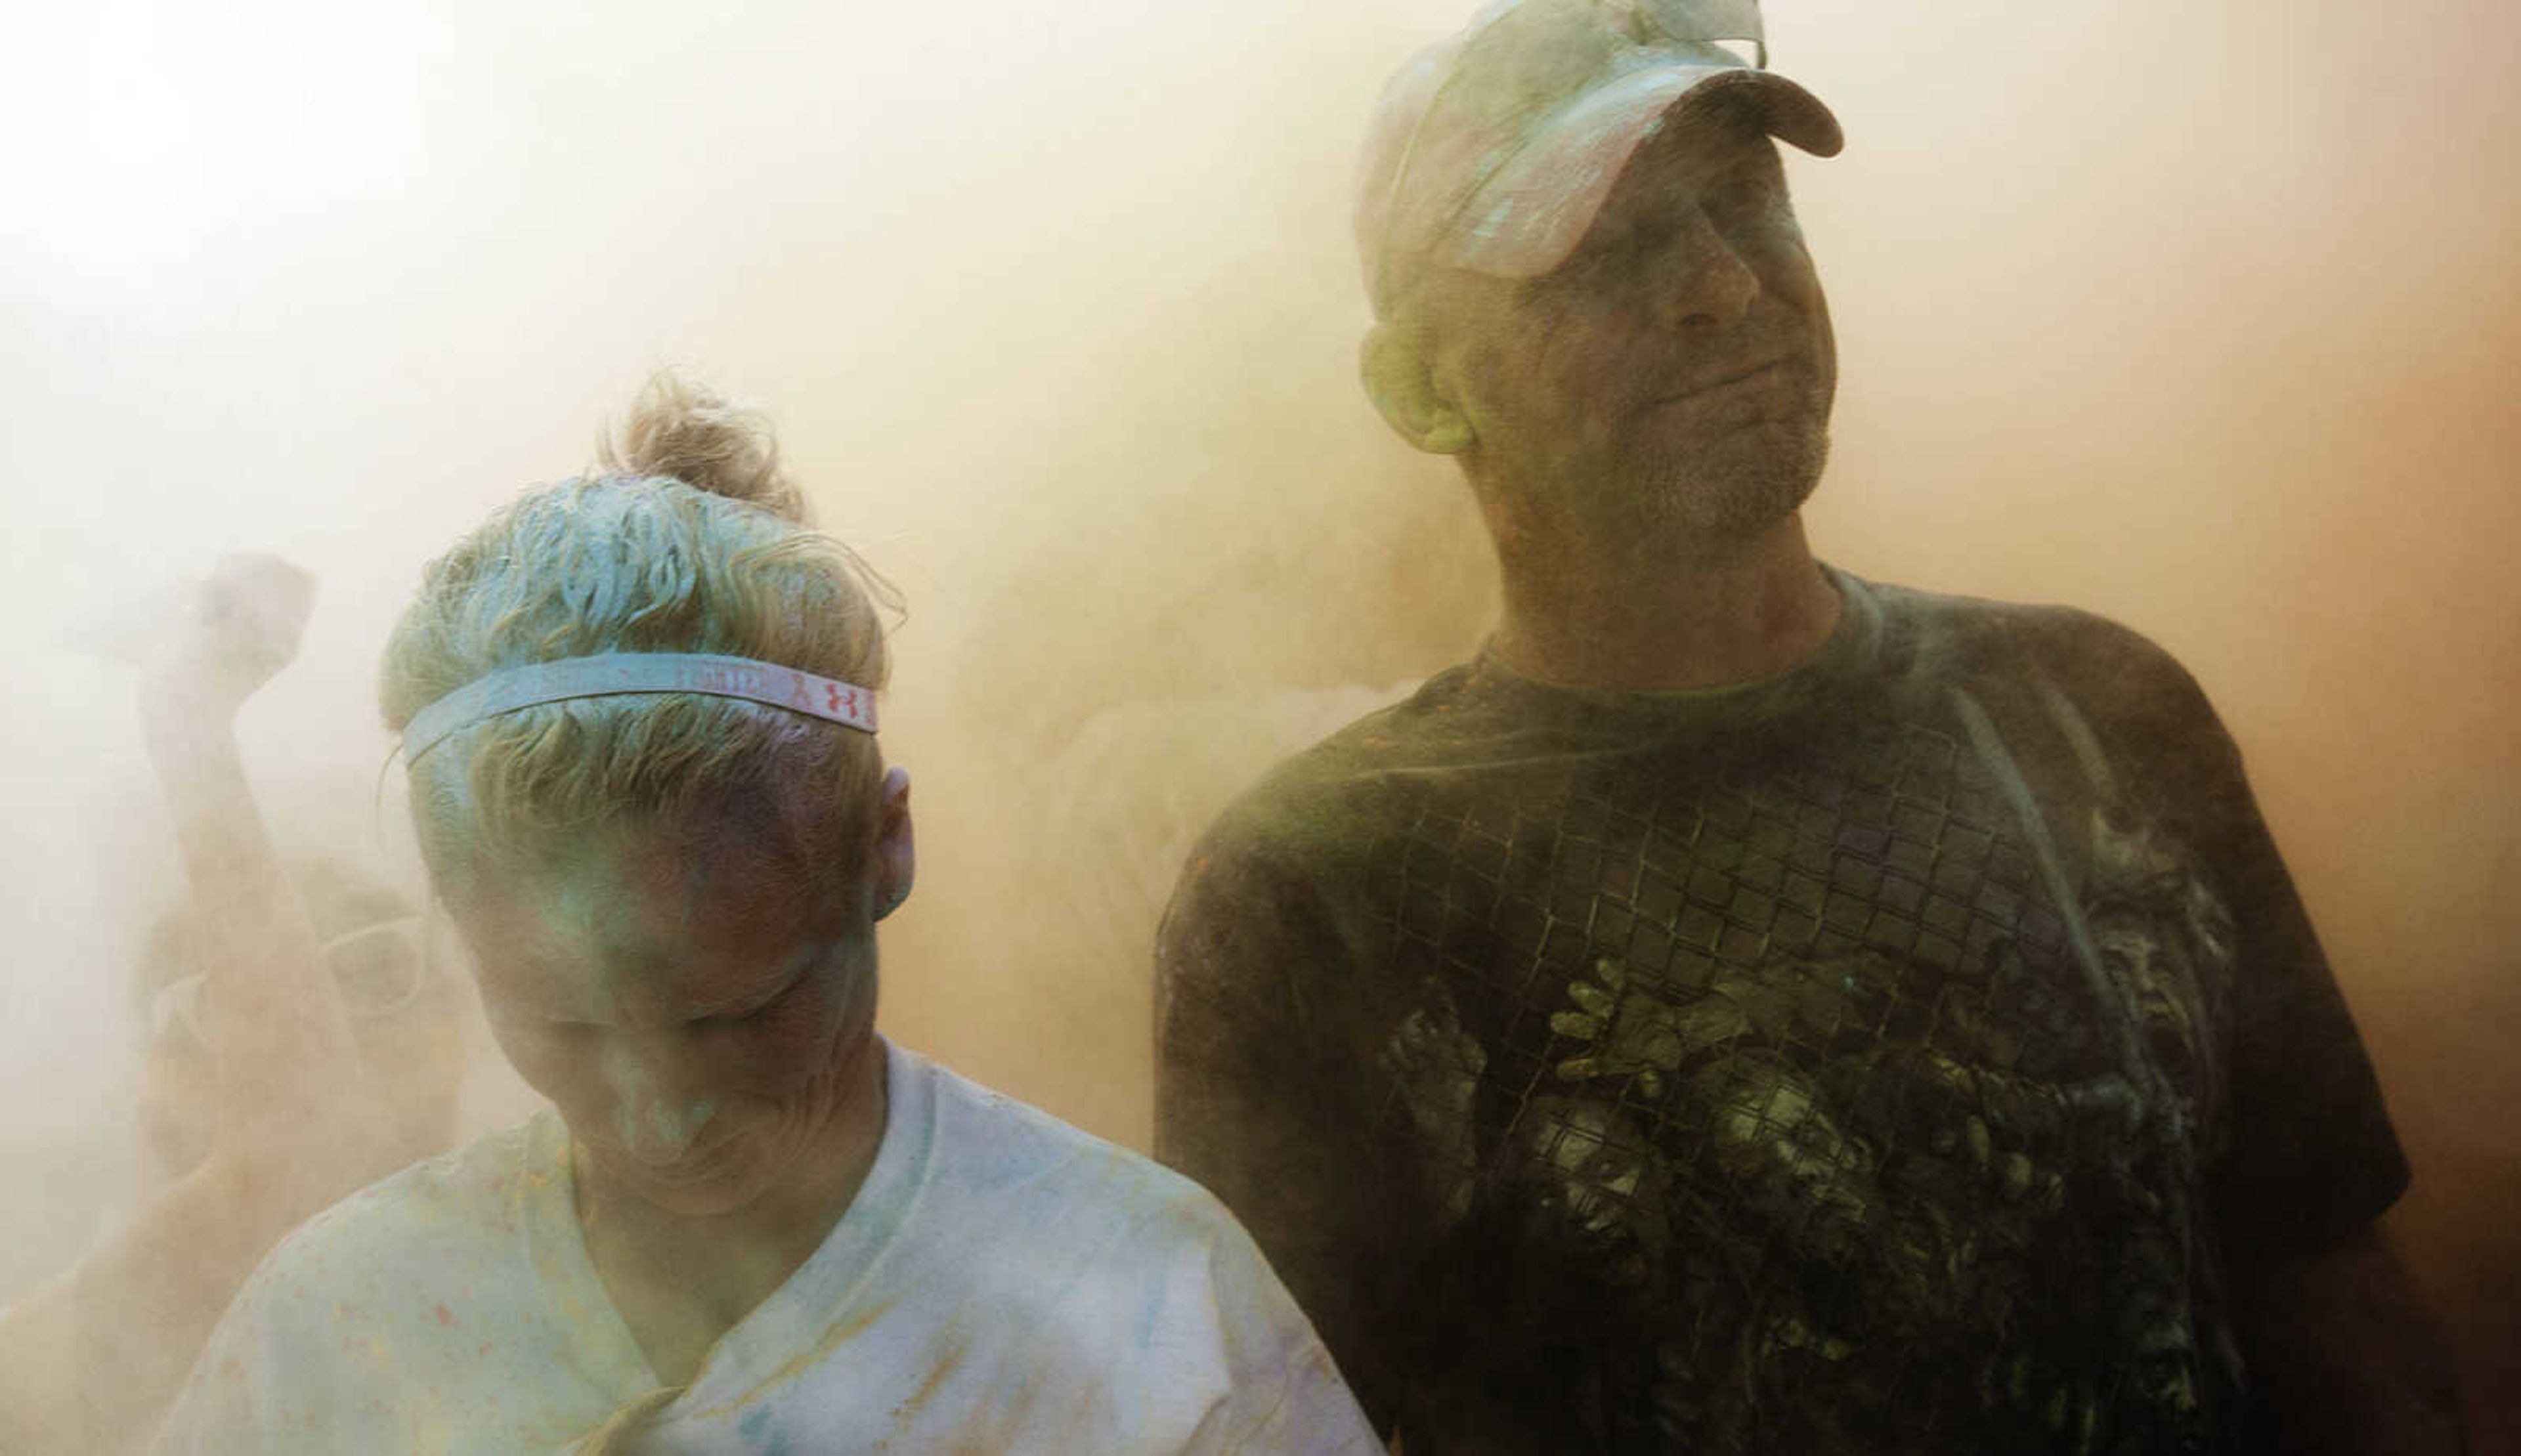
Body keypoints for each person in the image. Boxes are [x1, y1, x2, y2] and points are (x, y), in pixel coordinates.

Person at [1152, 1, 2466, 1450]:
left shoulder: (2102, 717)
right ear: (1417, 385)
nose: (1721, 285)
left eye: (1745, 203)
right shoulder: (1317, 896)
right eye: (1598, 249)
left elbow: (2323, 1280)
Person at [154, 375, 1379, 1453]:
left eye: (736, 1015)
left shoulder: (1149, 1314)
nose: (661, 1113)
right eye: (560, 1026)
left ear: (885, 849)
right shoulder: (341, 1333)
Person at [0, 555, 467, 1453]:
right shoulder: (46, 1367)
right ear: (149, 1081)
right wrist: (188, 726)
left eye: (373, 975)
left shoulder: (594, 1291)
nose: (329, 1045)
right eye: (235, 999)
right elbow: (300, 1172)